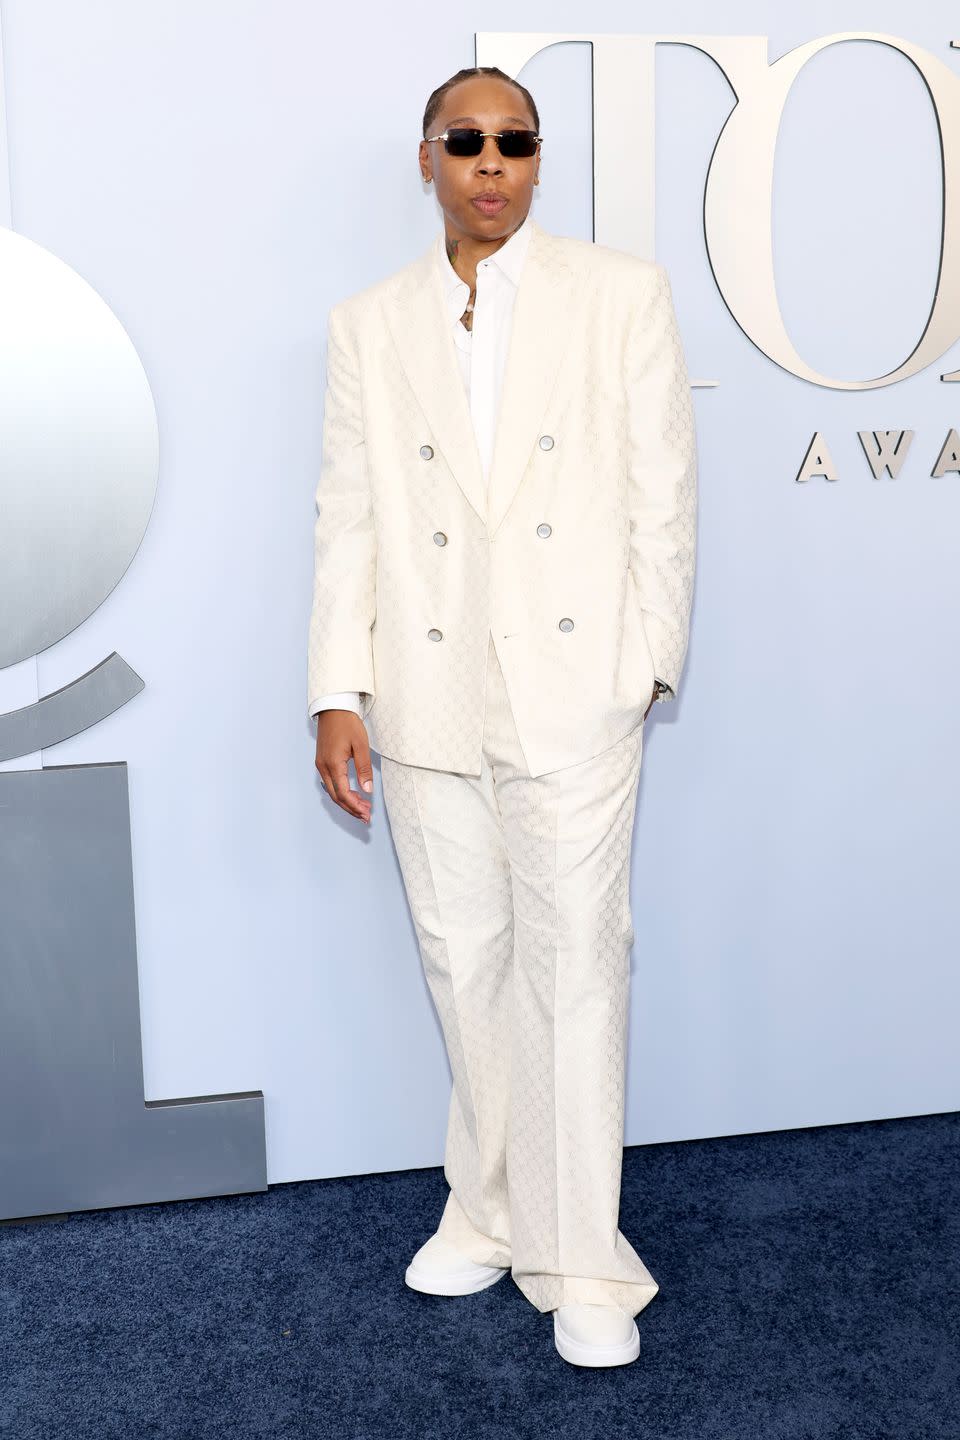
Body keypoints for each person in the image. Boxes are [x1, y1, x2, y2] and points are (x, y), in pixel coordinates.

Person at [307, 65, 697, 1368]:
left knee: (574, 971)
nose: (490, 163)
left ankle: (584, 1258)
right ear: (428, 158)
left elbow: (664, 501)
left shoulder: (621, 298)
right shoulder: (370, 323)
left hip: (576, 694)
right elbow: (347, 516)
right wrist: (332, 688)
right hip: (423, 691)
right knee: (462, 961)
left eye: (513, 141)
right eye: (464, 141)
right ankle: (488, 1206)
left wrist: (639, 669)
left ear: (537, 159)